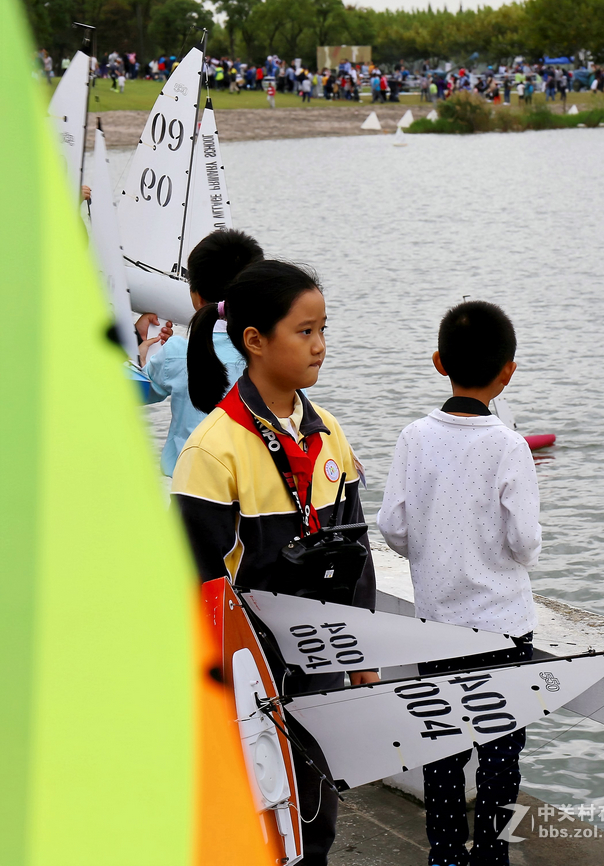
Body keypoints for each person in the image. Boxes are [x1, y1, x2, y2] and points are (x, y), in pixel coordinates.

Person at [172, 259, 377, 866]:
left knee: (314, 814)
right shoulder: (214, 448)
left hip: (319, 659)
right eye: (304, 331)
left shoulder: (328, 434)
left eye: (322, 329)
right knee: (255, 821)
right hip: (247, 675)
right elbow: (195, 579)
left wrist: (360, 650)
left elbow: (355, 548)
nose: (319, 346)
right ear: (255, 342)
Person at [377, 300, 541, 866]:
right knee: (500, 752)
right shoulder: (509, 446)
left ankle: (445, 854)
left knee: (441, 748)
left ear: (438, 361)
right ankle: (490, 853)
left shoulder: (413, 437)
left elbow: (394, 527)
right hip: (501, 630)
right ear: (508, 370)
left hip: (435, 629)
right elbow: (524, 544)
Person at [138, 229, 263, 476]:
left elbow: (133, 392)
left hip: (189, 492)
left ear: (195, 296)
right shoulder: (272, 355)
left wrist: (140, 352)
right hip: (255, 495)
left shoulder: (176, 353)